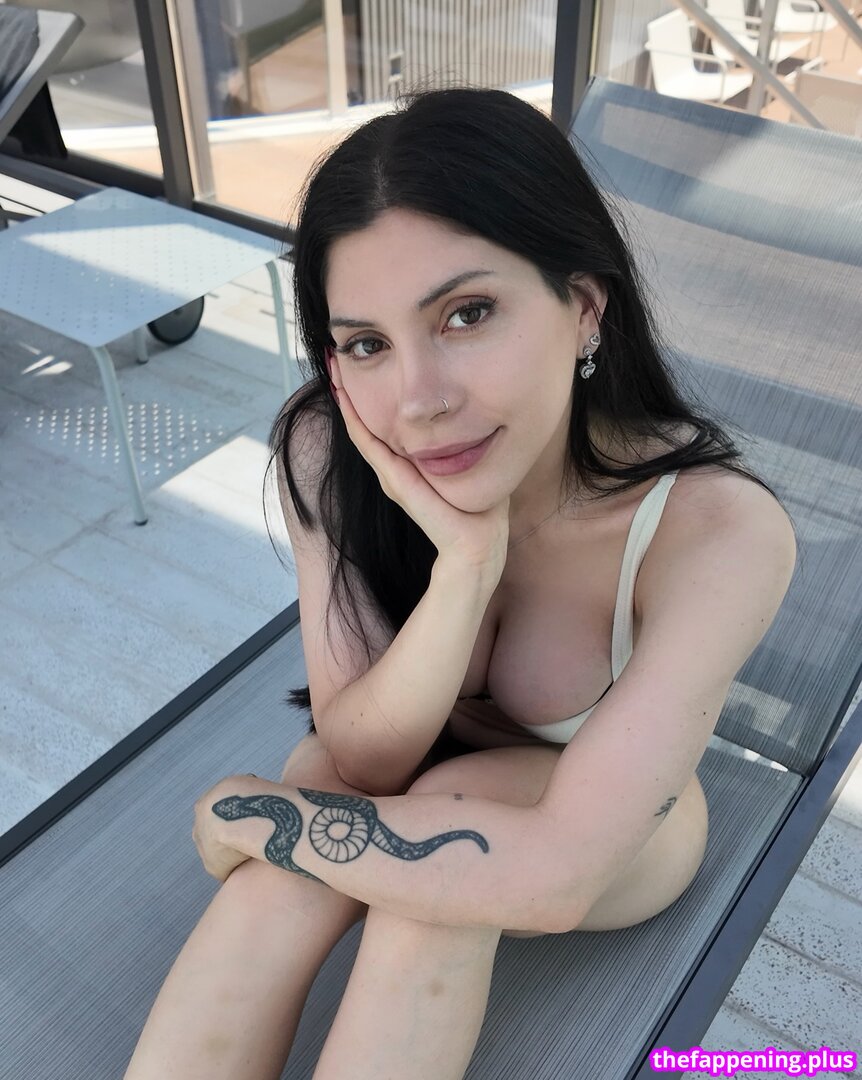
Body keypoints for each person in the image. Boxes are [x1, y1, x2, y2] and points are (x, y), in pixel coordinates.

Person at [124, 83, 799, 1080]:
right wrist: (465, 571)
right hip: (407, 777)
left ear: (583, 307)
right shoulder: (329, 445)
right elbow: (363, 758)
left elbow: (557, 879)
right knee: (281, 885)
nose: (419, 400)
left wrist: (244, 809)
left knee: (430, 883)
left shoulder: (716, 533)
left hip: (608, 830)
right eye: (366, 343)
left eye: (467, 313)